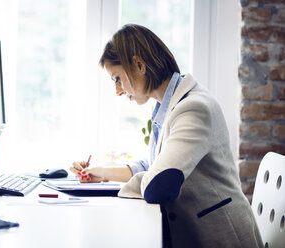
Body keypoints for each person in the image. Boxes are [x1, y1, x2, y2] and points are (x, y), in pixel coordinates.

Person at [70, 24, 263, 248]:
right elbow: (154, 165)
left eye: (117, 79)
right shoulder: (167, 105)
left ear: (139, 65)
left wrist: (131, 185)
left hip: (222, 239)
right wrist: (101, 173)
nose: (118, 90)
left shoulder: (193, 108)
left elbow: (159, 186)